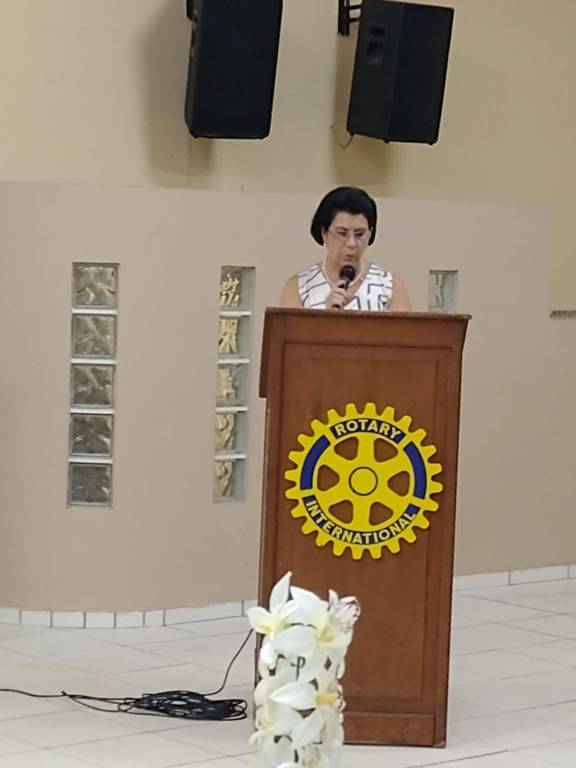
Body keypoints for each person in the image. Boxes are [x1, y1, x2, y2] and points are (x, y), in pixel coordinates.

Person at [280, 187, 411, 311]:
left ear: (370, 233)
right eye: (342, 233)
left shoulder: (390, 287)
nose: (351, 243)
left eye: (359, 234)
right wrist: (326, 315)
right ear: (324, 232)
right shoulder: (299, 287)